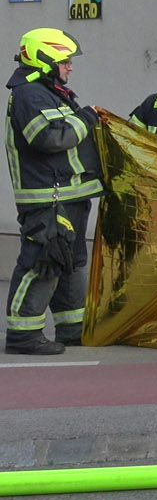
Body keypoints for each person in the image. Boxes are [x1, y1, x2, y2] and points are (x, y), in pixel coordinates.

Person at [5, 28, 103, 355]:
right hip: (47, 198)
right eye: (65, 61)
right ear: (46, 59)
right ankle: (23, 335)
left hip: (67, 196)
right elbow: (49, 138)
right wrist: (86, 118)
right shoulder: (30, 95)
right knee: (42, 263)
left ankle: (72, 328)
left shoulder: (51, 92)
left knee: (70, 263)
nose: (70, 67)